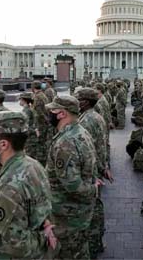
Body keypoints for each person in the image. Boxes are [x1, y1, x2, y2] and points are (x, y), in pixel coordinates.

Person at [0, 111, 57, 259]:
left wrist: (43, 238)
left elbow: (16, 245)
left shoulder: (9, 186)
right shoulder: (33, 164)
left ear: (3, 144)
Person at [45, 95, 104, 259]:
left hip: (67, 215)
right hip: (78, 213)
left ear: (62, 113)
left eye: (52, 110)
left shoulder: (66, 142)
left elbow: (72, 185)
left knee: (68, 253)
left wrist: (93, 189)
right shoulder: (80, 132)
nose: (49, 113)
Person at [75, 88, 112, 258]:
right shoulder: (94, 116)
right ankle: (97, 240)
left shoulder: (87, 120)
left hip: (90, 167)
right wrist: (104, 166)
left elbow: (87, 147)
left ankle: (93, 242)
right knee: (95, 205)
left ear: (86, 102)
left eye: (79, 99)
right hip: (96, 164)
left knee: (91, 208)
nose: (77, 101)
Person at [31, 80, 50, 166]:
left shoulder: (37, 97)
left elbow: (39, 112)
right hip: (44, 122)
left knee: (40, 143)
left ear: (33, 87)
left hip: (41, 124)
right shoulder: (43, 95)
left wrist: (37, 127)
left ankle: (41, 161)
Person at [19, 92, 39, 159]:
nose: (19, 101)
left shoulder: (26, 110)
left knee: (29, 157)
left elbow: (24, 125)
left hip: (30, 138)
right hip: (32, 136)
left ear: (24, 100)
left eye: (20, 99)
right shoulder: (29, 109)